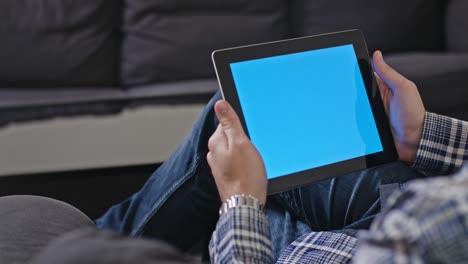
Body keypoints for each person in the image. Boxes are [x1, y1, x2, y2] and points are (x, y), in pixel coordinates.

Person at [95, 50, 468, 262]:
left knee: (245, 146)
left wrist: (240, 203)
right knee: (243, 121)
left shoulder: (439, 225)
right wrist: (422, 135)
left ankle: (100, 244)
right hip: (419, 207)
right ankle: (103, 240)